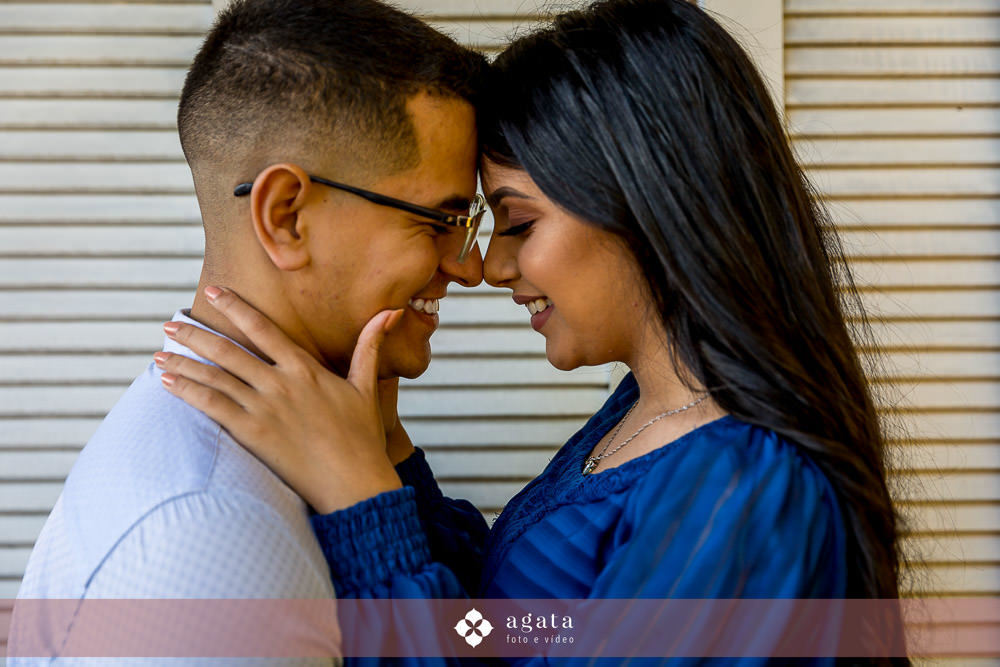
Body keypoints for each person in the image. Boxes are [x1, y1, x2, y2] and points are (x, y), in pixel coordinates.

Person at [154, 0, 909, 663]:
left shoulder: (743, 491)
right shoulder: (644, 413)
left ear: (647, 204)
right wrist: (388, 456)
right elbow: (503, 634)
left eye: (516, 222)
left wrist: (364, 506)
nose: (488, 266)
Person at [11, 0, 487, 661]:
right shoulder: (209, 540)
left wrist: (386, 466)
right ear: (286, 217)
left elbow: (481, 627)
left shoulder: (302, 457)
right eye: (439, 221)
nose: (473, 267)